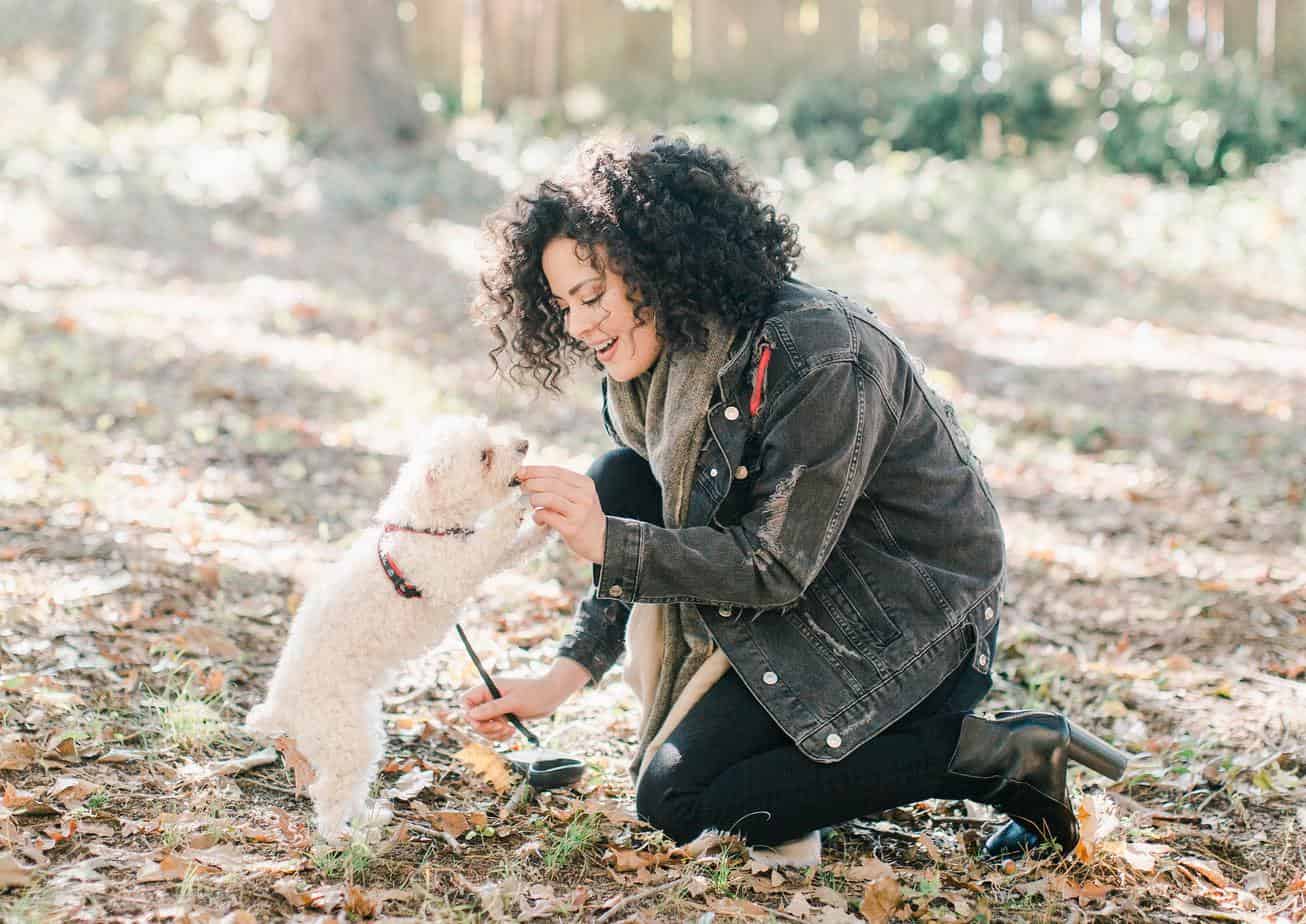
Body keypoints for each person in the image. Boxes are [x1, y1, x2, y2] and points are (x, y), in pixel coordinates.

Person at [461, 135, 1116, 862]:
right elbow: (641, 508)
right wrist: (560, 679)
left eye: (591, 296)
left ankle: (1001, 757)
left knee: (678, 802)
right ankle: (810, 769)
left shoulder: (816, 352)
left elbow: (774, 566)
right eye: (562, 306)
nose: (580, 325)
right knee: (619, 476)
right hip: (795, 603)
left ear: (658, 264)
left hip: (904, 627)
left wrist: (609, 542)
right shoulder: (655, 368)